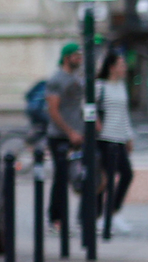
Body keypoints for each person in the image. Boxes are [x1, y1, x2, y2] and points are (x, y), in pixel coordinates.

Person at [42, 42, 85, 228]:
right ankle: (55, 218)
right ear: (67, 57)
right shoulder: (56, 80)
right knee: (60, 178)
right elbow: (53, 110)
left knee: (76, 176)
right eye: (76, 55)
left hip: (77, 134)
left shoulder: (77, 78)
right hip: (60, 136)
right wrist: (70, 132)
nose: (79, 59)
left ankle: (74, 217)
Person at [95, 51, 137, 236]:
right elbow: (87, 106)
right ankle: (98, 217)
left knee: (126, 174)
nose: (124, 68)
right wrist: (95, 122)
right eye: (121, 64)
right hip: (104, 137)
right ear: (111, 67)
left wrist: (129, 136)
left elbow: (124, 113)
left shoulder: (121, 86)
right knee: (105, 179)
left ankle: (112, 212)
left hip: (119, 137)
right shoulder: (99, 86)